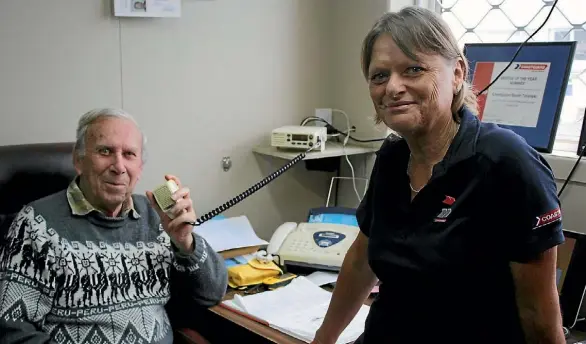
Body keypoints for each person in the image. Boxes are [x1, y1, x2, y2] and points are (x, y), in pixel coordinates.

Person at [313, 6, 565, 344]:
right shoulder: (392, 156)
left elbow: (538, 314)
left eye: (413, 69)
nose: (393, 87)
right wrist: (323, 340)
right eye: (379, 76)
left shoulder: (507, 162)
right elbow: (361, 260)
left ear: (458, 73)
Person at [0, 108, 228, 344]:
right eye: (105, 151)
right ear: (79, 160)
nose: (118, 166)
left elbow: (212, 293)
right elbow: (13, 329)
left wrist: (186, 243)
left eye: (129, 154)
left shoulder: (157, 218)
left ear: (139, 168)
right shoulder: (36, 224)